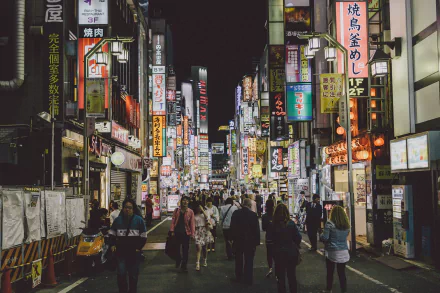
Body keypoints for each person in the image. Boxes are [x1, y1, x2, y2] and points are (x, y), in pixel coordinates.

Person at [109, 198, 147, 293]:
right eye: (125, 207)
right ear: (123, 208)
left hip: (134, 252)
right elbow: (112, 234)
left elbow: (143, 236)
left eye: (130, 207)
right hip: (121, 252)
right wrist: (112, 245)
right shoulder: (118, 220)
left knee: (133, 275)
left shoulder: (139, 221)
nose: (127, 209)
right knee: (121, 274)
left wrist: (139, 248)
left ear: (133, 209)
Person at [230, 198, 260, 285]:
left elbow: (232, 226)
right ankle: (248, 278)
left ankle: (239, 276)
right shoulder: (253, 215)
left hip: (238, 240)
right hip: (250, 241)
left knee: (238, 259)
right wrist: (256, 242)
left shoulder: (236, 213)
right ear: (250, 205)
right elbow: (256, 230)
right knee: (249, 260)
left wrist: (232, 238)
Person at [273, 204, 302, 293]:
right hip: (290, 252)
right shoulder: (291, 224)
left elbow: (270, 240)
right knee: (292, 276)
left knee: (280, 277)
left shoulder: (273, 224)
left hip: (278, 253)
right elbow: (298, 237)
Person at [320, 206, 350, 293]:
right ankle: (344, 290)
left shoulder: (329, 223)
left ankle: (329, 289)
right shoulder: (346, 225)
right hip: (344, 250)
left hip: (332, 251)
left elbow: (325, 238)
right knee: (342, 273)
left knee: (330, 272)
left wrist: (321, 235)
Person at [169, 196, 195, 272]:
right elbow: (173, 221)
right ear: (181, 201)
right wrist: (172, 230)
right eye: (184, 200)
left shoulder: (190, 212)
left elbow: (192, 223)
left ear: (188, 202)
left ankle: (184, 265)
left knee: (185, 250)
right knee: (176, 249)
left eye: (187, 201)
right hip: (177, 232)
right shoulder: (177, 210)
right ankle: (178, 259)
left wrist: (192, 234)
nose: (185, 202)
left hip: (186, 233)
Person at [193, 203, 214, 271]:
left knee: (205, 248)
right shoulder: (194, 215)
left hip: (205, 231)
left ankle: (205, 259)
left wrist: (203, 210)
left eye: (200, 207)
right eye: (198, 207)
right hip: (197, 231)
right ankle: (197, 263)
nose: (199, 208)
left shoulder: (206, 213)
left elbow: (208, 219)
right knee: (198, 248)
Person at [261, 199, 275, 277]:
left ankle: (270, 268)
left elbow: (263, 228)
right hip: (277, 237)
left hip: (269, 237)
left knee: (269, 253)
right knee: (277, 252)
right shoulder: (277, 214)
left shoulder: (264, 216)